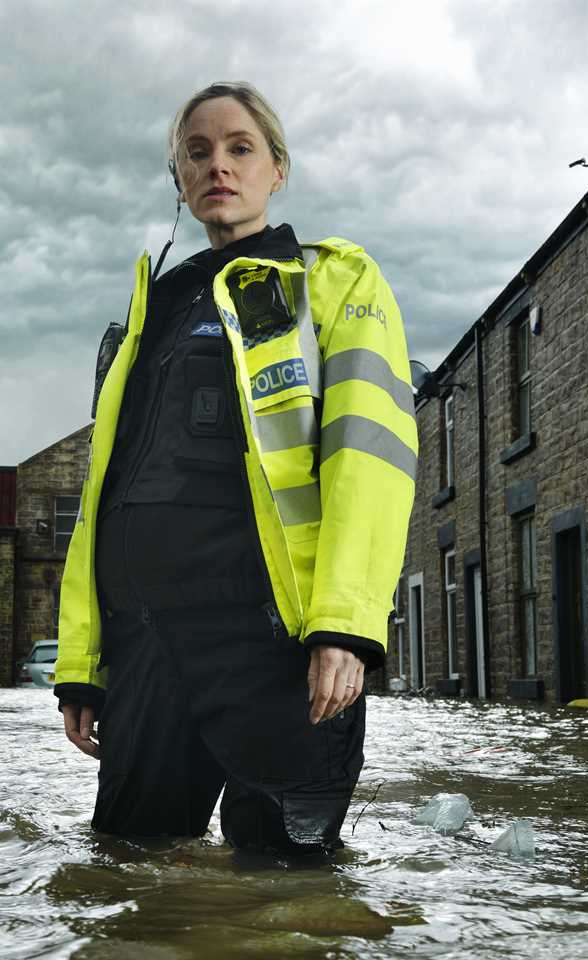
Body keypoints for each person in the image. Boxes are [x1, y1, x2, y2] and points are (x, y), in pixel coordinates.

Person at [54, 81, 417, 855]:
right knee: (126, 877)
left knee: (285, 892)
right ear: (178, 181)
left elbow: (370, 461)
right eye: (198, 151)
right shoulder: (146, 314)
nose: (219, 165)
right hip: (147, 642)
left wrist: (345, 627)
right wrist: (83, 665)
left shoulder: (332, 283)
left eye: (240, 147)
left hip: (271, 648)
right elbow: (102, 498)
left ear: (277, 168)